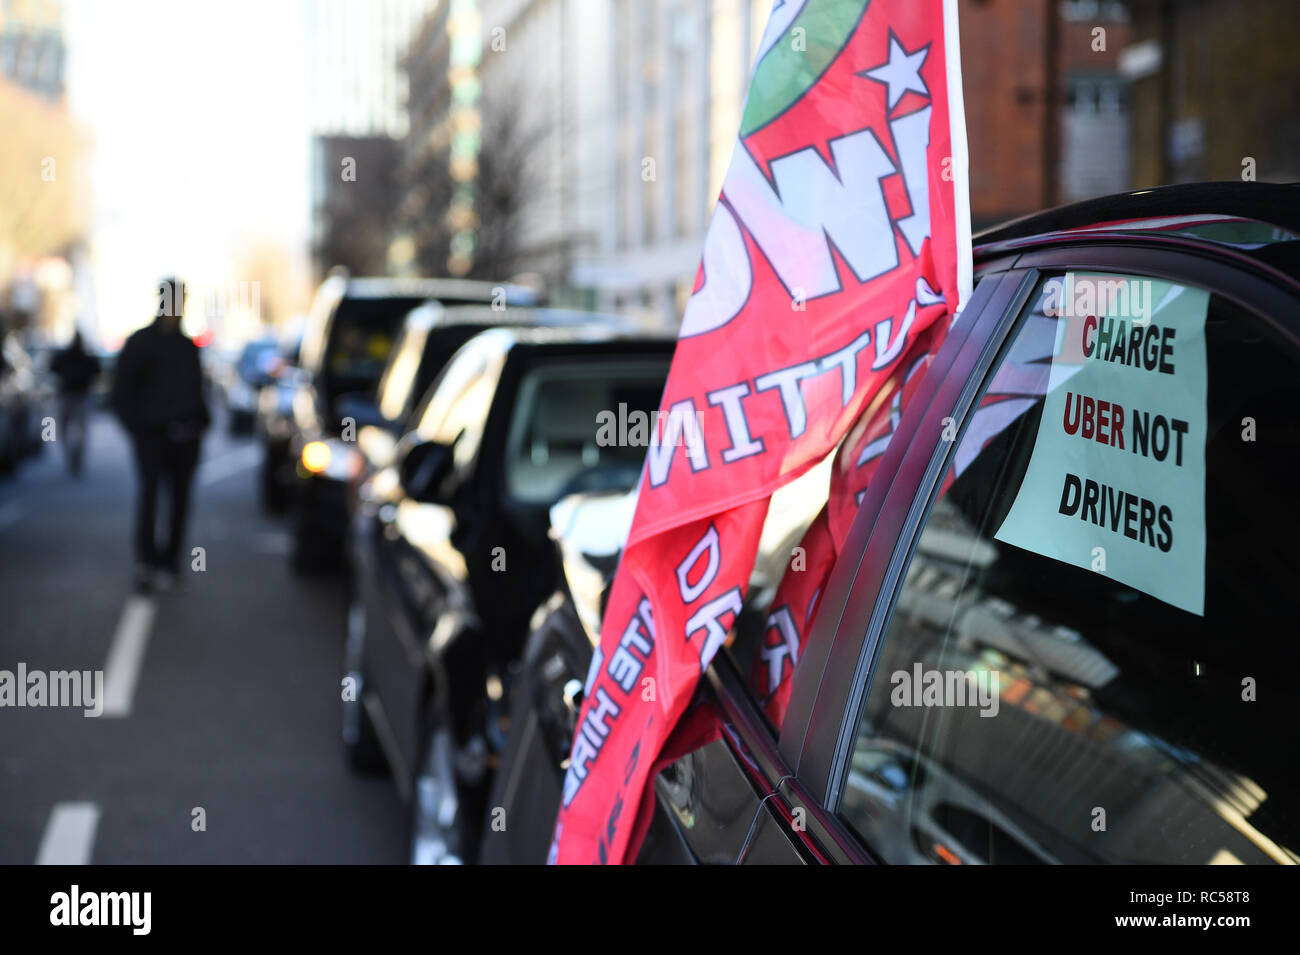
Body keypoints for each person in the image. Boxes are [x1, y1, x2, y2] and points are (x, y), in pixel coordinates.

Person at [111, 277, 211, 593]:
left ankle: (171, 561)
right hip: (152, 438)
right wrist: (140, 430)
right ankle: (146, 563)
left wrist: (199, 424)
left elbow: (197, 393)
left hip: (185, 439)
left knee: (180, 501)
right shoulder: (141, 343)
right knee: (150, 496)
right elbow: (121, 394)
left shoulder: (187, 346)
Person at [50, 331, 100, 476]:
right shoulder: (83, 357)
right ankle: (74, 459)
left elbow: (53, 368)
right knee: (77, 431)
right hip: (74, 395)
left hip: (73, 395)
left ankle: (74, 459)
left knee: (71, 430)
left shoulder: (72, 356)